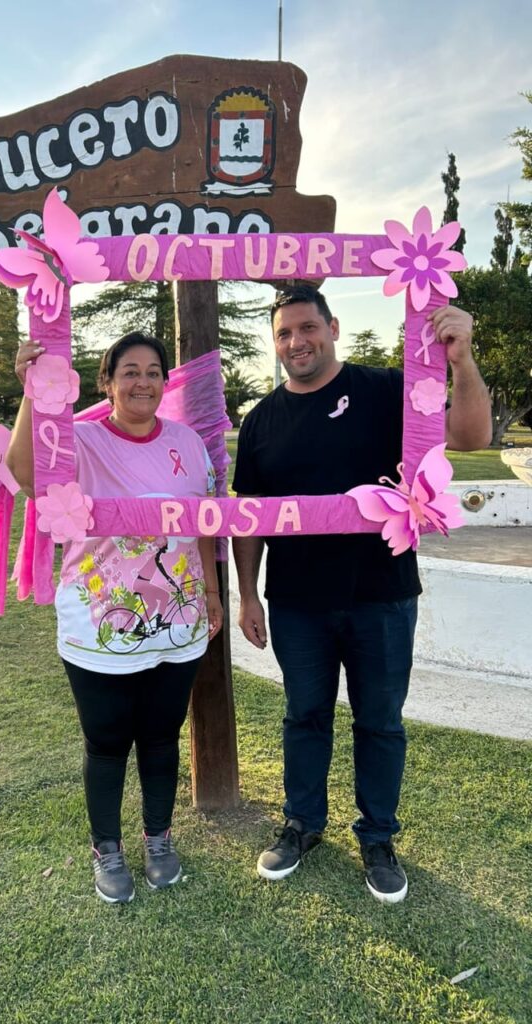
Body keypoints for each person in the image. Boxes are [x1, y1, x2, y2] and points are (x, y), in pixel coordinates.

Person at [232, 285, 491, 903]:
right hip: (297, 601)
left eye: (307, 327)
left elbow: (470, 437)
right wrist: (247, 594)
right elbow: (251, 517)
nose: (297, 341)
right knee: (305, 715)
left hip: (382, 595)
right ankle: (302, 824)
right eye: (284, 333)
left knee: (379, 721)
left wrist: (461, 360)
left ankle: (378, 838)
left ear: (333, 328)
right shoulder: (261, 420)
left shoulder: (387, 390)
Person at [7, 332, 224, 905]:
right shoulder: (78, 439)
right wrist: (32, 394)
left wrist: (212, 592)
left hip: (177, 623)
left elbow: (203, 523)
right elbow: (25, 473)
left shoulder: (188, 443)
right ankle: (107, 849)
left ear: (165, 382)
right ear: (107, 382)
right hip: (97, 625)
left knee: (161, 738)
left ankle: (159, 840)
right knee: (106, 743)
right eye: (129, 371)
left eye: (153, 371)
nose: (142, 382)